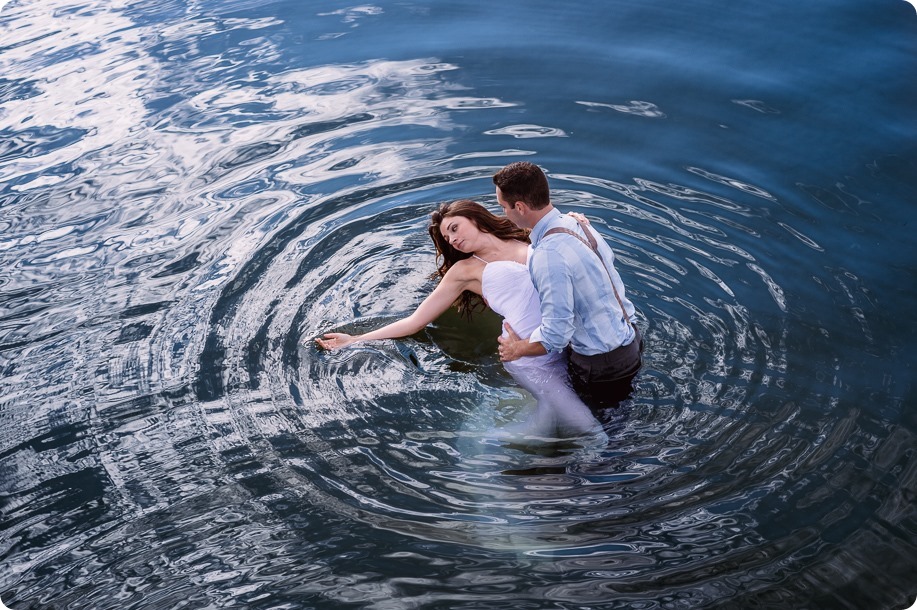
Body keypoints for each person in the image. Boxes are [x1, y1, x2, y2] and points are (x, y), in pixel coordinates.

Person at [316, 200, 605, 443]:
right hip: (528, 358)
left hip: (563, 344)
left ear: (474, 216)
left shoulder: (527, 236)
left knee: (550, 414)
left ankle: (504, 443)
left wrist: (574, 223)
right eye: (447, 238)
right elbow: (415, 321)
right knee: (589, 429)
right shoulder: (465, 270)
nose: (452, 239)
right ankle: (602, 484)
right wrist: (354, 341)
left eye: (454, 228)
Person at [492, 161, 643, 408]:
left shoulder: (548, 255)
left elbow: (556, 335)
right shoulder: (577, 223)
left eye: (503, 207)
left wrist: (516, 350)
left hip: (601, 366)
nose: (503, 214)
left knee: (608, 437)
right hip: (630, 340)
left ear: (519, 206)